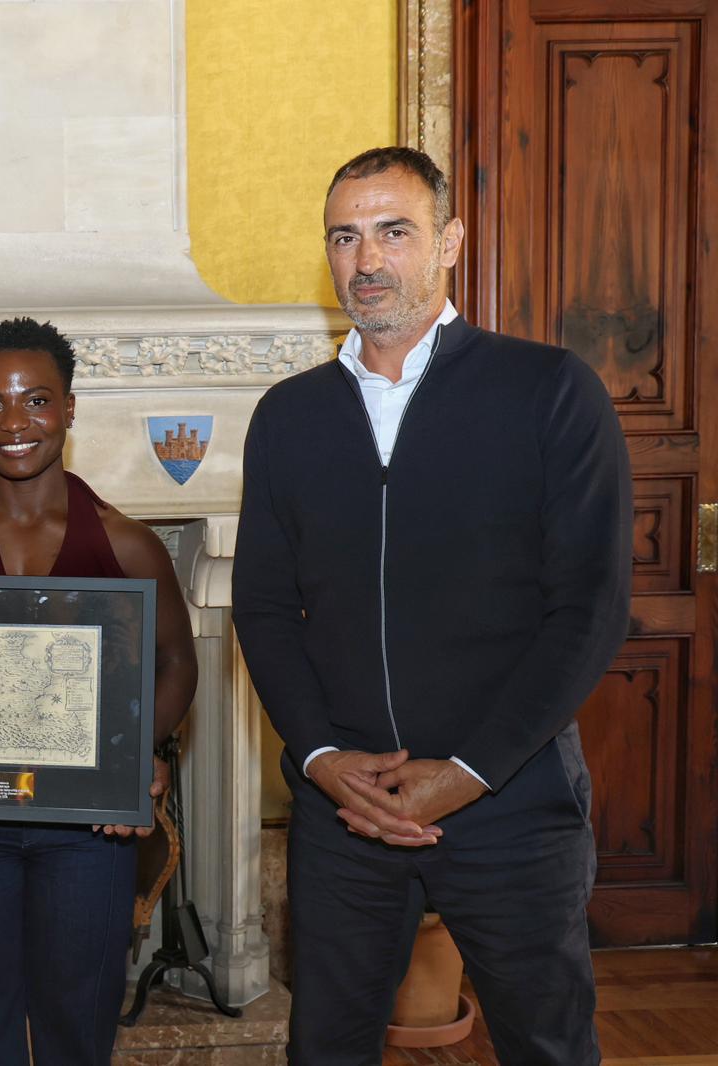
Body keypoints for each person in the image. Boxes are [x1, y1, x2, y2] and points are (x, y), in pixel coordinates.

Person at [232, 146, 631, 1062]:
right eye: (345, 236)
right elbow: (259, 608)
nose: (366, 260)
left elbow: (591, 609)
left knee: (547, 1044)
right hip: (348, 814)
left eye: (393, 231)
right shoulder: (288, 417)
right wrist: (325, 758)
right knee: (325, 1046)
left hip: (512, 800)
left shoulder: (547, 392)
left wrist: (468, 772)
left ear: (450, 241)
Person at [0, 317, 198, 1066]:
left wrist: (135, 755)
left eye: (36, 401)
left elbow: (178, 661)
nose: (14, 423)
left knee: (78, 1020)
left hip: (85, 832)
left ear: (70, 409)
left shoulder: (127, 542)